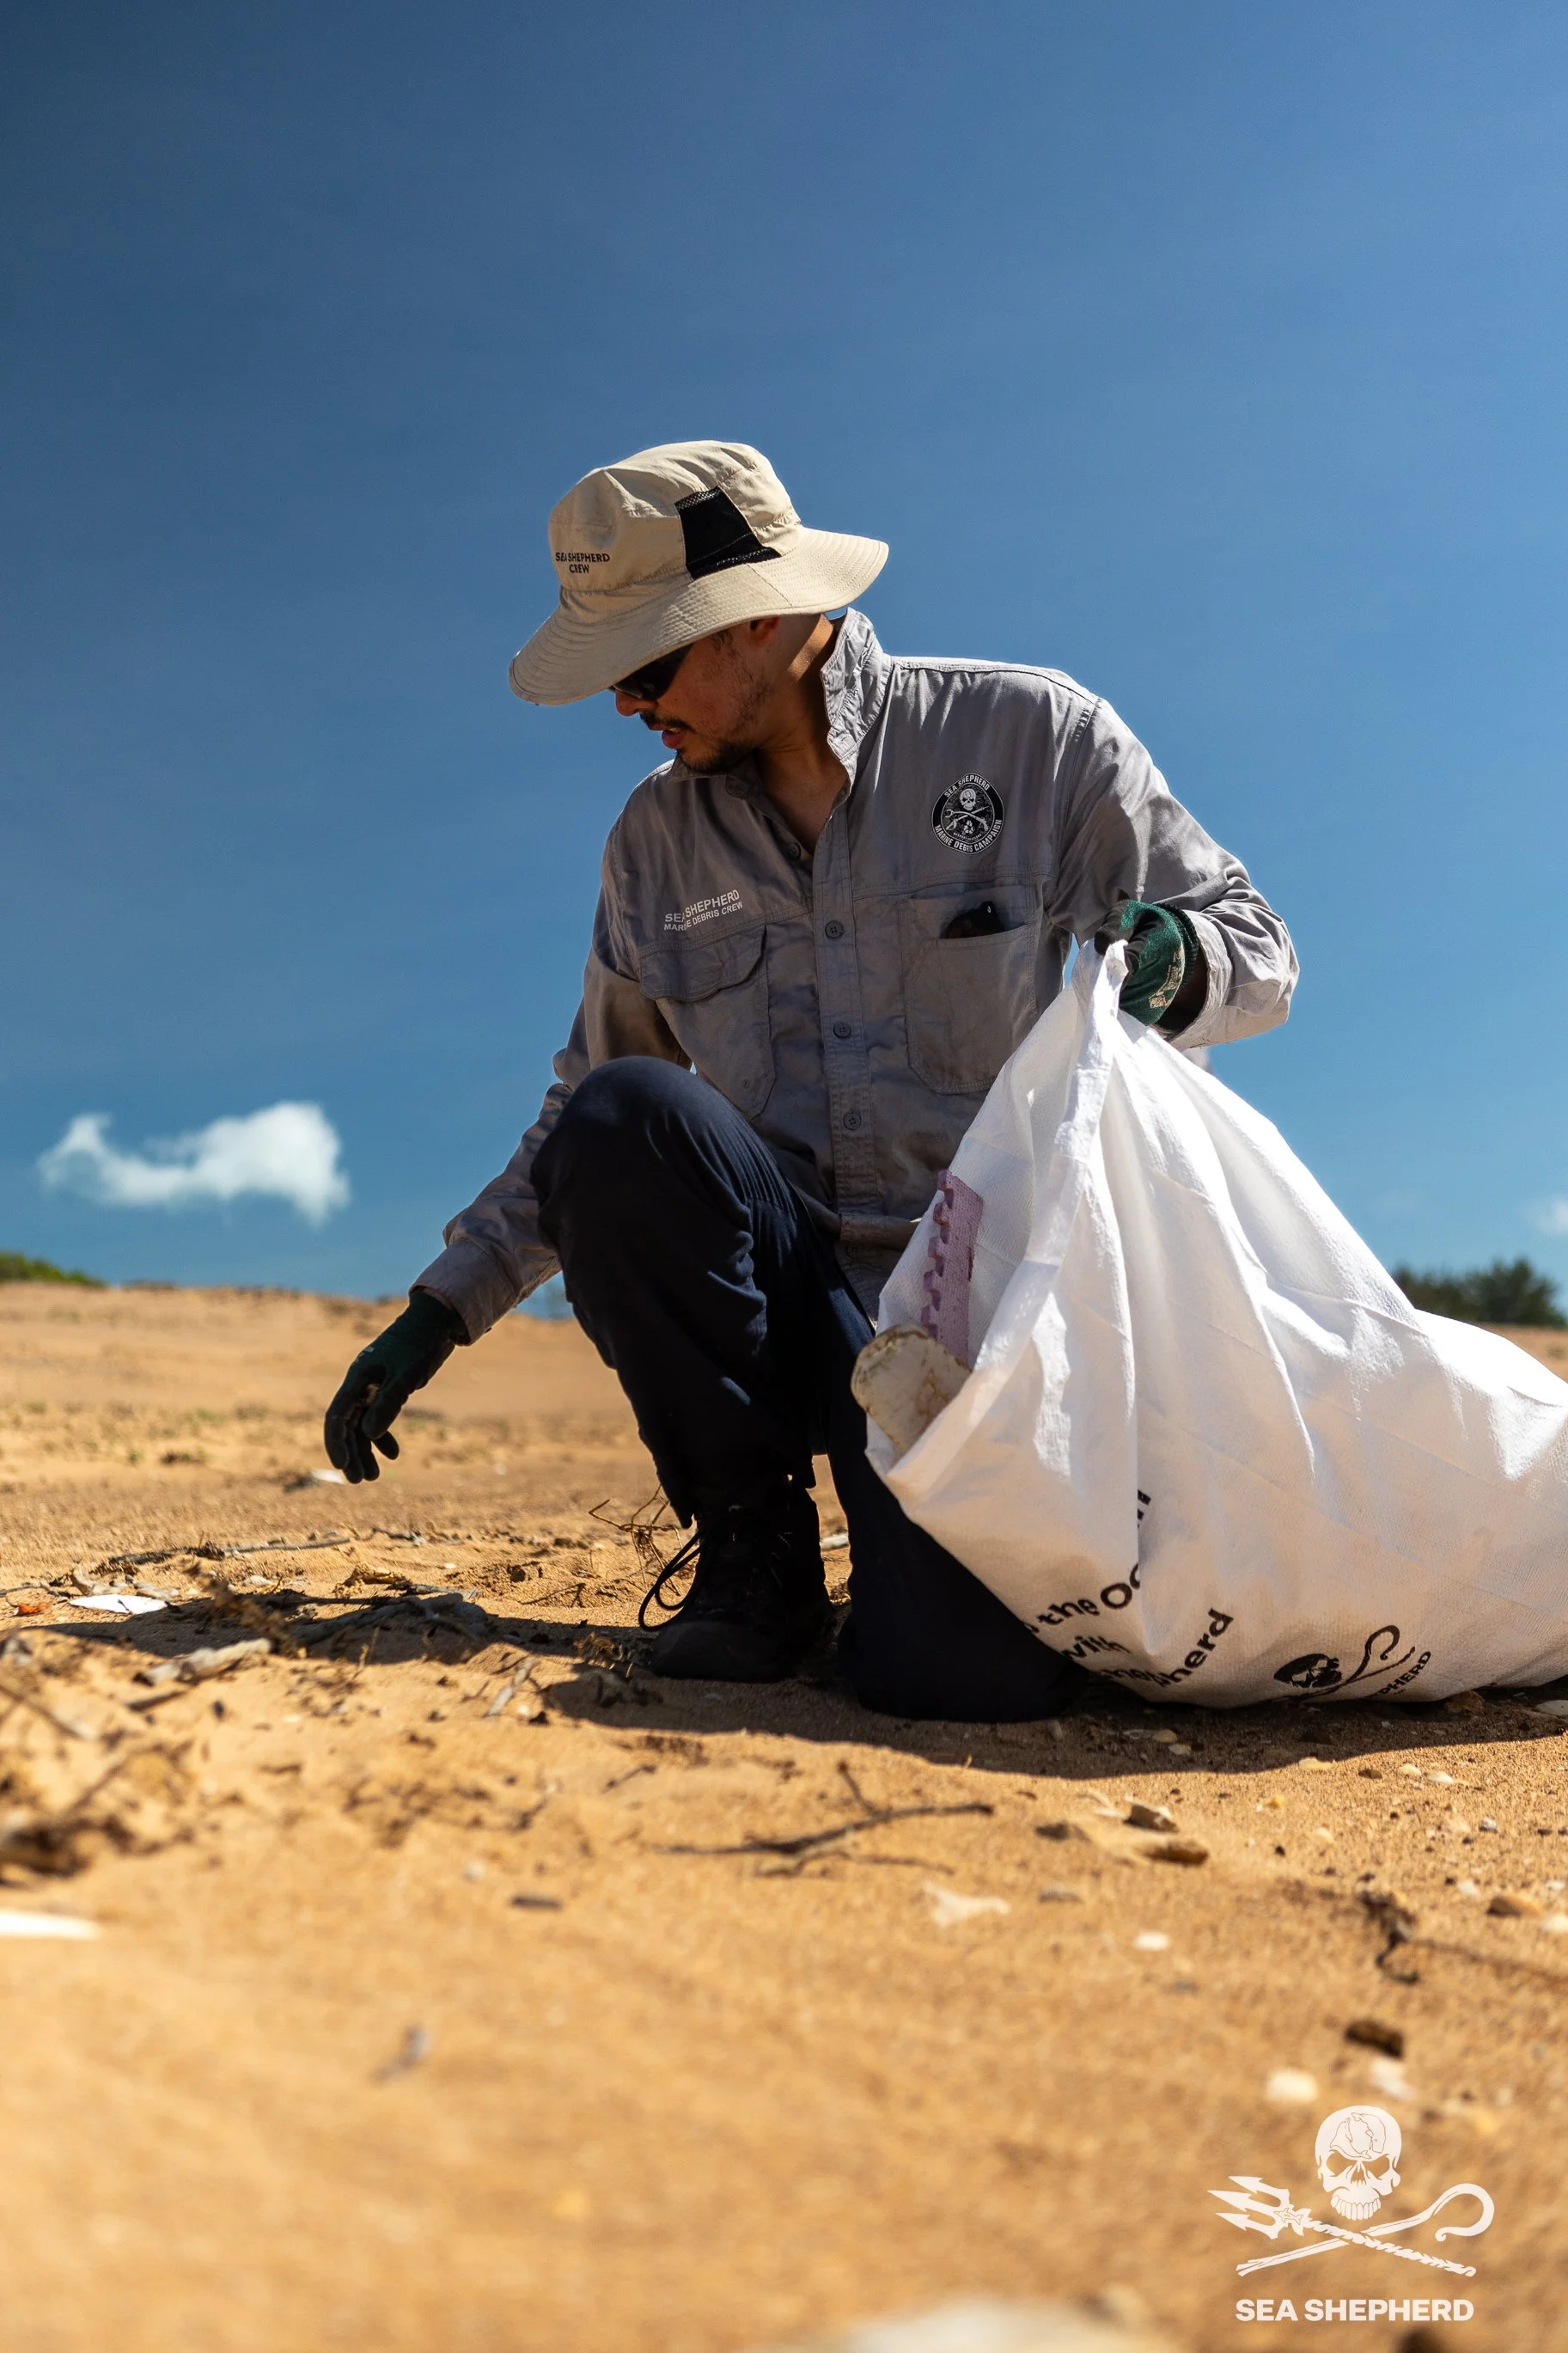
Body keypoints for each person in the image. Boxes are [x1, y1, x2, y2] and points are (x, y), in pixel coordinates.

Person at [325, 441, 1296, 1720]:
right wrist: (440, 1309)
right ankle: (755, 1550)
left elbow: (1255, 945)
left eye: (645, 665)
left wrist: (1180, 961)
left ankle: (942, 1567)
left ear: (759, 618)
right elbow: (587, 1111)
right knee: (626, 1121)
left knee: (953, 1679)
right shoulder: (652, 842)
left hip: (988, 1320)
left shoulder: (1031, 736)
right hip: (785, 1303)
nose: (626, 705)